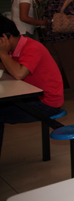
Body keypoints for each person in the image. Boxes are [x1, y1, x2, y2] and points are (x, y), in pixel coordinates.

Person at [0, 15, 64, 155]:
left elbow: (19, 74)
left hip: (46, 102)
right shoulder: (11, 50)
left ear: (5, 37)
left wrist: (3, 55)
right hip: (30, 97)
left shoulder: (31, 47)